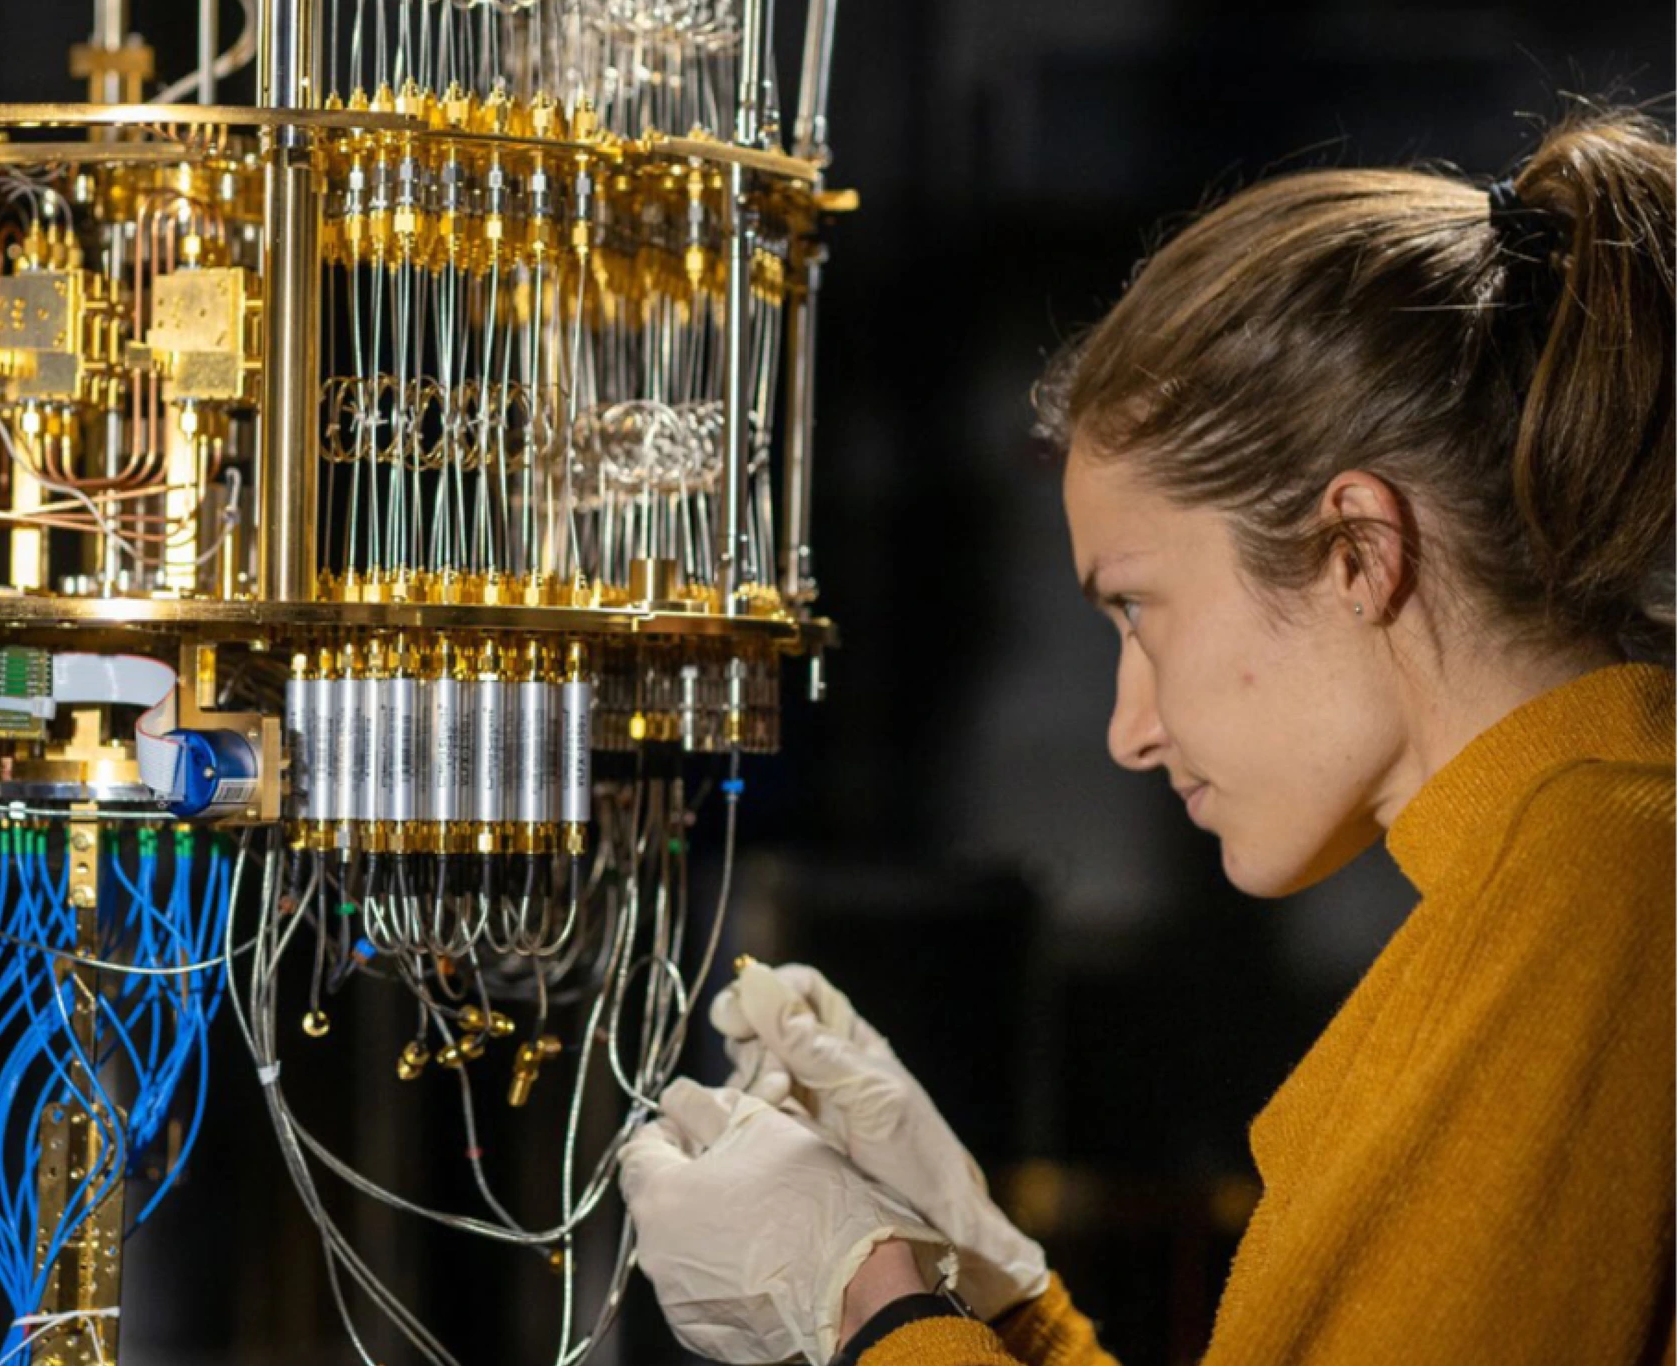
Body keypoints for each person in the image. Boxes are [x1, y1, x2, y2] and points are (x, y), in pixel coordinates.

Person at [618, 104, 1676, 1366]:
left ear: (1356, 551)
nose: (1126, 731)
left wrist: (868, 1305)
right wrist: (1004, 1299)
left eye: (1136, 608)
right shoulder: (1569, 858)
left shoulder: (1597, 875)